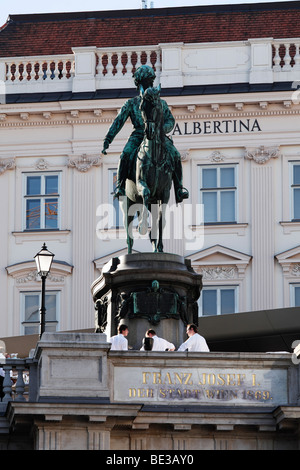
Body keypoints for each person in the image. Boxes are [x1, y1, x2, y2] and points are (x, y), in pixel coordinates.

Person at [101, 64, 189, 203]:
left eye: (150, 81)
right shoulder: (131, 103)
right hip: (139, 135)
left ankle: (179, 189)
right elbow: (118, 122)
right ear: (139, 83)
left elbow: (170, 120)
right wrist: (108, 139)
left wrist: (161, 129)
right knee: (125, 155)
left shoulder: (161, 103)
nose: (148, 84)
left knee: (175, 155)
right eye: (145, 82)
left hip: (158, 135)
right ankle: (120, 187)